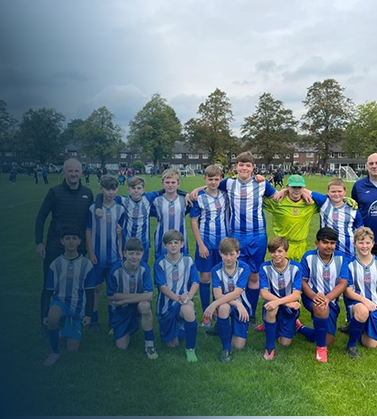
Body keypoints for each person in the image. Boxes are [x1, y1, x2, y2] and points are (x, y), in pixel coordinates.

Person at [190, 152, 281, 328]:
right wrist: (197, 190)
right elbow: (212, 185)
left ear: (253, 168)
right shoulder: (229, 183)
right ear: (236, 167)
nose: (244, 168)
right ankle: (225, 309)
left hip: (257, 236)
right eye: (241, 165)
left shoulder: (262, 184)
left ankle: (251, 312)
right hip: (236, 236)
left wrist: (297, 191)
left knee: (254, 275)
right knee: (231, 273)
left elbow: (278, 195)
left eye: (248, 165)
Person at [35, 158, 93, 338]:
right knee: (49, 286)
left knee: (77, 286)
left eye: (77, 171)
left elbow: (91, 224)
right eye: (70, 171)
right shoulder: (54, 192)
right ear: (64, 173)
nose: (74, 174)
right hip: (54, 246)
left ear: (81, 173)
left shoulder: (87, 193)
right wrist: (39, 242)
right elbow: (41, 217)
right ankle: (46, 322)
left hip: (79, 248)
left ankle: (75, 318)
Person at [42, 225, 95, 366]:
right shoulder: (55, 264)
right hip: (59, 302)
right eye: (67, 238)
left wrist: (89, 314)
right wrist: (45, 315)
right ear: (62, 241)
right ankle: (55, 352)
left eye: (74, 238)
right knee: (53, 318)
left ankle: (66, 332)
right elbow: (48, 290)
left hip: (76, 308)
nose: (71, 241)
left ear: (79, 241)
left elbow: (90, 291)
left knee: (73, 350)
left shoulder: (86, 265)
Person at [296, 227, 349, 363]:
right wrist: (314, 296)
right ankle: (321, 348)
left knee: (329, 339)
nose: (329, 246)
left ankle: (300, 327)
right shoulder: (308, 257)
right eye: (325, 242)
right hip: (311, 298)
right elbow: (303, 281)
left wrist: (328, 298)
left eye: (332, 243)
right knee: (321, 308)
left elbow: (343, 283)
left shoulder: (341, 258)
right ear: (317, 243)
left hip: (331, 300)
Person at [189, 165, 228, 329]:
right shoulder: (198, 198)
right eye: (210, 179)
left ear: (220, 179)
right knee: (205, 278)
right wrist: (200, 245)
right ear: (204, 179)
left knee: (219, 279)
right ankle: (206, 314)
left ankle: (217, 309)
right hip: (205, 244)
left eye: (216, 179)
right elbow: (193, 222)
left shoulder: (226, 195)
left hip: (223, 245)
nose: (213, 182)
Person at [107, 238, 158, 359]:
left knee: (145, 306)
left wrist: (124, 300)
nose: (134, 257)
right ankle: (129, 325)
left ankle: (149, 345)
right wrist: (138, 296)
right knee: (122, 346)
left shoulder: (145, 269)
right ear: (124, 253)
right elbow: (111, 295)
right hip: (122, 309)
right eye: (131, 253)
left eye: (138, 253)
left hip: (134, 304)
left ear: (142, 254)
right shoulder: (115, 270)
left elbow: (149, 296)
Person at [86, 175, 125, 332]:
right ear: (101, 189)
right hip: (97, 256)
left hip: (114, 257)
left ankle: (112, 320)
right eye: (108, 189)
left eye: (114, 189)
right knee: (96, 288)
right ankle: (94, 320)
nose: (111, 192)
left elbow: (120, 232)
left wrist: (121, 251)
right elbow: (88, 231)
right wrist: (90, 252)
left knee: (112, 290)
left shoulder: (120, 209)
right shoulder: (93, 208)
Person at [203, 238, 251, 363]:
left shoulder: (244, 268)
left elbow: (237, 292)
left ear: (238, 254)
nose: (228, 258)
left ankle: (221, 326)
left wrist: (214, 304)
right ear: (220, 253)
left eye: (232, 254)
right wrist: (235, 303)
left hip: (242, 305)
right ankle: (226, 349)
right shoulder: (216, 270)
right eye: (225, 254)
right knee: (223, 307)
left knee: (239, 346)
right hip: (228, 304)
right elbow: (218, 295)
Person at [154, 230, 199, 362]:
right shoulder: (159, 263)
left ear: (182, 244)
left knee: (188, 309)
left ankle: (190, 349)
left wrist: (189, 296)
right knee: (172, 345)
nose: (173, 245)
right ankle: (183, 327)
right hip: (166, 306)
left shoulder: (188, 260)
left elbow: (195, 282)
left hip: (183, 302)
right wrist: (178, 299)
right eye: (169, 243)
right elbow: (162, 287)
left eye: (176, 242)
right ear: (164, 245)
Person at [259, 237, 302, 360]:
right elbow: (264, 293)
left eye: (280, 251)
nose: (276, 255)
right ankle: (269, 347)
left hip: (289, 305)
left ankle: (278, 325)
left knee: (285, 343)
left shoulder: (296, 267)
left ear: (286, 252)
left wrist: (280, 302)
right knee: (272, 309)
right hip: (277, 304)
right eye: (273, 252)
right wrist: (285, 303)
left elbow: (296, 295)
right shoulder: (264, 267)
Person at [263, 175, 318, 262]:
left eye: (299, 187)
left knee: (299, 273)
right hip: (281, 246)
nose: (297, 190)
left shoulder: (309, 203)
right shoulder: (278, 201)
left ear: (303, 188)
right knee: (282, 273)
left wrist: (304, 193)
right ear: (288, 186)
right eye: (294, 187)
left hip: (301, 246)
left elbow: (326, 199)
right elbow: (257, 196)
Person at [343, 227, 377, 359]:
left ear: (373, 244)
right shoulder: (349, 264)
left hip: (374, 305)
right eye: (361, 242)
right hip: (357, 303)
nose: (364, 246)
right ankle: (351, 345)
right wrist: (365, 301)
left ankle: (357, 326)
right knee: (363, 310)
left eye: (368, 243)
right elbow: (348, 292)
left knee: (371, 345)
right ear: (354, 244)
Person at [151, 169, 190, 260]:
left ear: (178, 183)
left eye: (173, 182)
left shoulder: (185, 200)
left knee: (181, 267)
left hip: (180, 240)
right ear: (162, 183)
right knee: (162, 267)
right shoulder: (156, 201)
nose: (170, 185)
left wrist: (185, 194)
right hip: (162, 240)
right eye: (167, 182)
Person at [352, 153, 377, 256]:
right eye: (371, 163)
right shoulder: (359, 186)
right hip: (367, 241)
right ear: (367, 166)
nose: (374, 166)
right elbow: (354, 209)